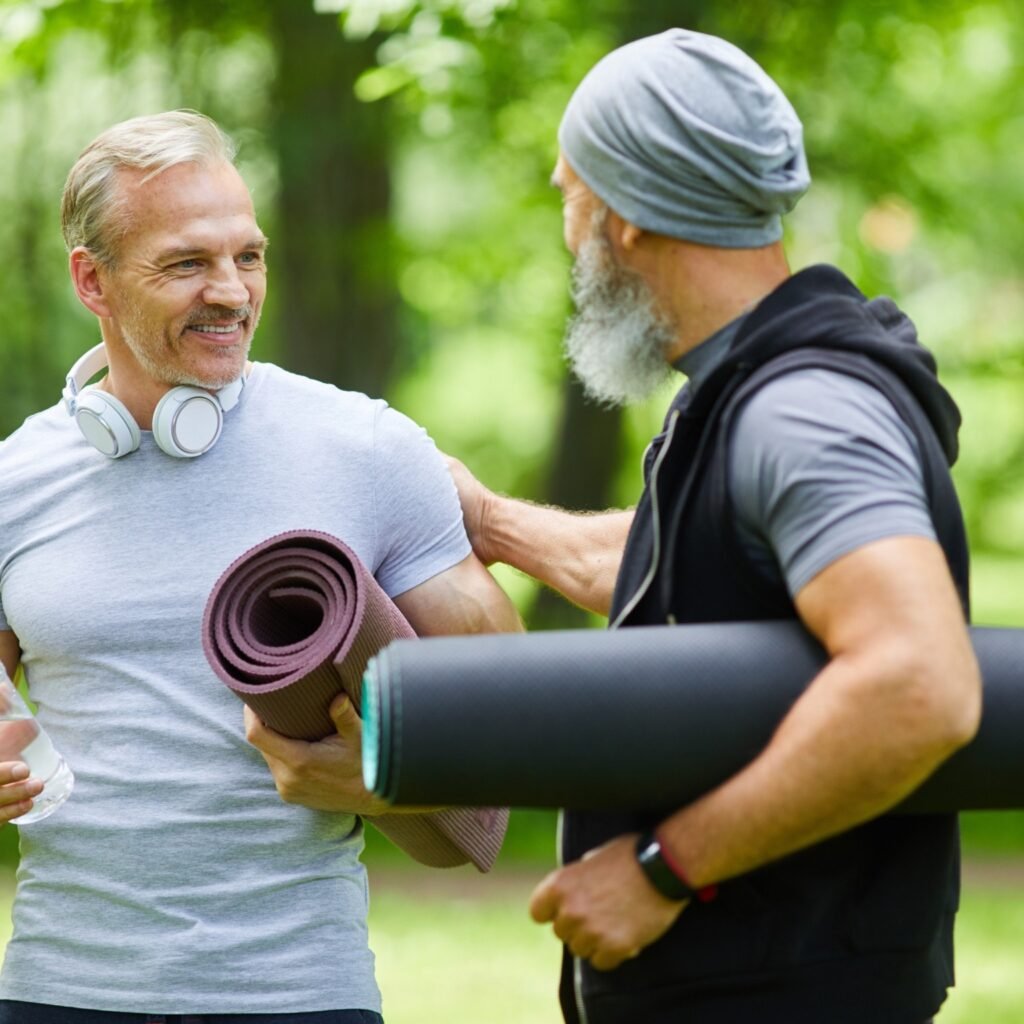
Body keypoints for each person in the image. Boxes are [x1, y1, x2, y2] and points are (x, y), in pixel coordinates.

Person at [447, 29, 982, 1024]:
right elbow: (689, 571)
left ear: (630, 217)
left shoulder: (802, 414)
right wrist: (489, 522)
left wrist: (661, 870)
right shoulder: (743, 394)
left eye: (572, 196)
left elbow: (920, 682)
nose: (569, 234)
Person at [0, 110, 520, 1023]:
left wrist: (389, 778)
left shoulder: (366, 448)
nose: (233, 292)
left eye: (249, 256)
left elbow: (510, 716)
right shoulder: (15, 482)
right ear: (93, 279)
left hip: (299, 994)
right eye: (187, 262)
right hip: (61, 991)